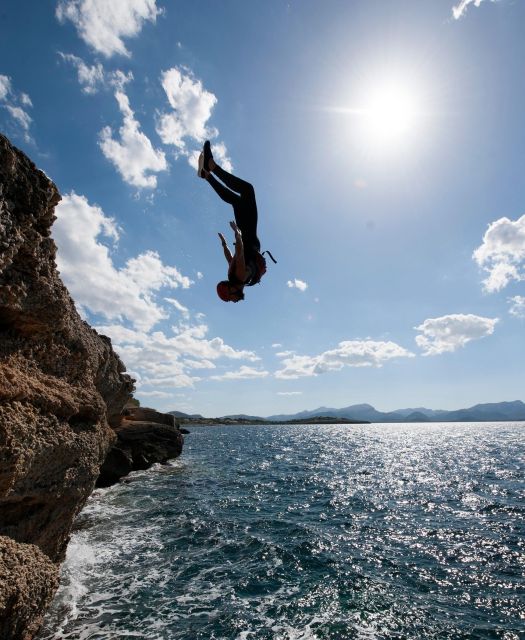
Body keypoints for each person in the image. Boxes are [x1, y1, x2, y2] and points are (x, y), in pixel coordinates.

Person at [198, 141, 263, 303]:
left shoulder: (238, 276)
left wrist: (234, 236)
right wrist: (226, 242)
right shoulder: (236, 276)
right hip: (246, 235)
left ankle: (211, 167)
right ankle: (207, 175)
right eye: (227, 288)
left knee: (247, 191)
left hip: (246, 234)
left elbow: (237, 254)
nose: (234, 300)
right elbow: (232, 256)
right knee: (238, 200)